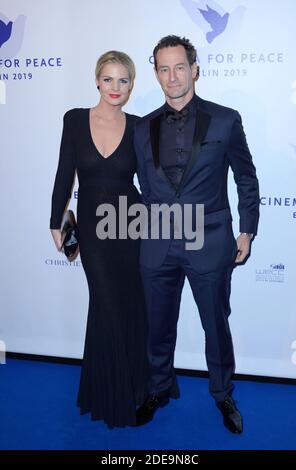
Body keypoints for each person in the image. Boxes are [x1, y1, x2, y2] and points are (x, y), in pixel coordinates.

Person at [134, 36, 259, 433]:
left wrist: (247, 229)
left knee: (216, 325)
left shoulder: (225, 119)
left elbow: (246, 177)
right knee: (156, 324)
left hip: (210, 240)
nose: (172, 77)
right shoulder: (141, 128)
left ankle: (223, 395)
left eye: (179, 67)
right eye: (164, 69)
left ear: (195, 69)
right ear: (156, 73)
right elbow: (130, 185)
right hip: (156, 244)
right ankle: (158, 387)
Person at [50, 51, 148, 428]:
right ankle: (111, 394)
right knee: (106, 304)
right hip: (92, 227)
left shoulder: (140, 127)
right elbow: (64, 173)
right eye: (109, 79)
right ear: (96, 80)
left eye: (123, 80)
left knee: (129, 305)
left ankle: (136, 388)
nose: (115, 88)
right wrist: (55, 220)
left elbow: (151, 184)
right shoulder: (75, 120)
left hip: (131, 226)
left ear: (132, 85)